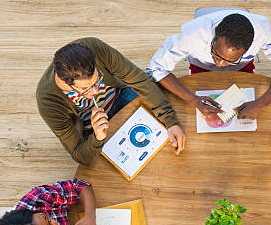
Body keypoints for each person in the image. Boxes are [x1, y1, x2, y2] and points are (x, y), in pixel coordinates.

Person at [37, 37, 186, 165]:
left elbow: (139, 80)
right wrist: (97, 137)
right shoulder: (48, 101)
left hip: (121, 97)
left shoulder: (94, 47)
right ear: (65, 82)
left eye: (97, 81)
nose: (96, 91)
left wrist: (170, 121)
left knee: (164, 135)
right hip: (91, 130)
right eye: (87, 89)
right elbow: (80, 155)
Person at [146, 11, 271, 120]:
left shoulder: (263, 32)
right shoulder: (192, 35)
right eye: (216, 53)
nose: (220, 64)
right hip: (201, 67)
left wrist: (261, 103)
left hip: (241, 69)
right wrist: (193, 100)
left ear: (251, 46)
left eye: (230, 59)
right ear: (216, 31)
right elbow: (155, 69)